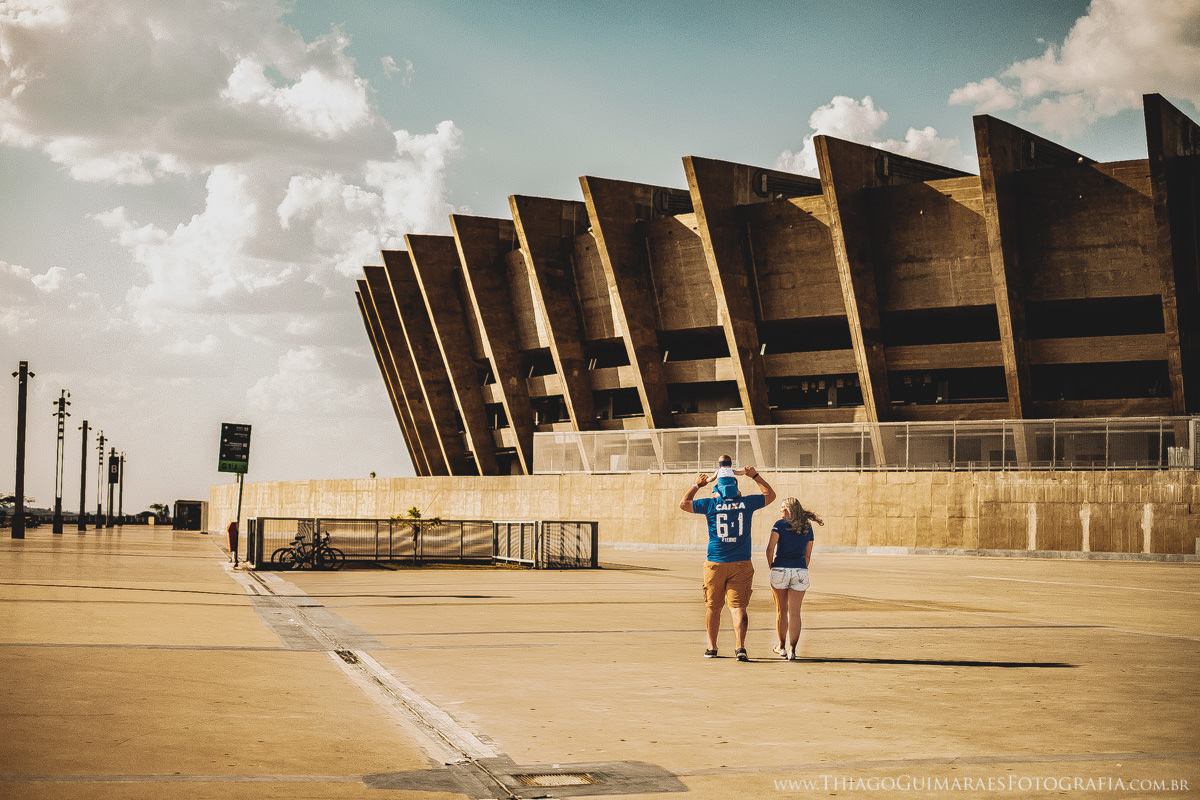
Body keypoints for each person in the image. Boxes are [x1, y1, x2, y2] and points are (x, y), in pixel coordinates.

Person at [680, 464, 776, 661]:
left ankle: (712, 647)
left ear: (717, 490)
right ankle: (740, 647)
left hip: (715, 562)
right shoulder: (746, 503)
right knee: (738, 607)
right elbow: (770, 495)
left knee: (713, 607)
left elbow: (684, 503)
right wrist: (754, 475)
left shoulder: (710, 504)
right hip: (741, 562)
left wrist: (697, 484)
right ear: (736, 489)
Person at [766, 497, 822, 660]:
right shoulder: (807, 526)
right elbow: (808, 555)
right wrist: (800, 567)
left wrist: (772, 566)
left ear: (789, 509)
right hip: (800, 570)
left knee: (781, 611)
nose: (780, 510)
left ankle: (781, 647)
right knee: (795, 613)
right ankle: (792, 650)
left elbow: (770, 549)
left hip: (780, 568)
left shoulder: (779, 524)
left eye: (782, 507)